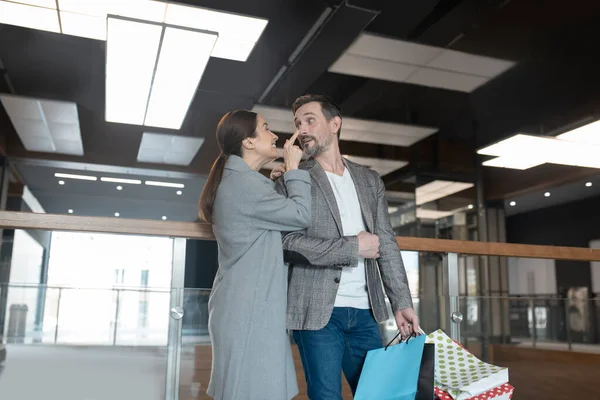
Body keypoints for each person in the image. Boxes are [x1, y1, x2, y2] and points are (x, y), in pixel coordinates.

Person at [272, 94, 420, 399]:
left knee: (379, 395)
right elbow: (287, 242)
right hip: (316, 312)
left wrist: (401, 303)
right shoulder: (293, 178)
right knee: (326, 395)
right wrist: (352, 247)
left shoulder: (369, 180)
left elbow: (386, 244)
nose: (302, 130)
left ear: (335, 123)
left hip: (366, 312)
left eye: (310, 120)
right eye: (297, 123)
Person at [198, 110, 311, 400]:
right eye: (266, 128)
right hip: (248, 311)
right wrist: (294, 169)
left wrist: (277, 184)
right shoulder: (245, 186)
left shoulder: (243, 183)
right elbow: (300, 215)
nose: (274, 135)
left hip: (245, 307)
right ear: (248, 142)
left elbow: (260, 223)